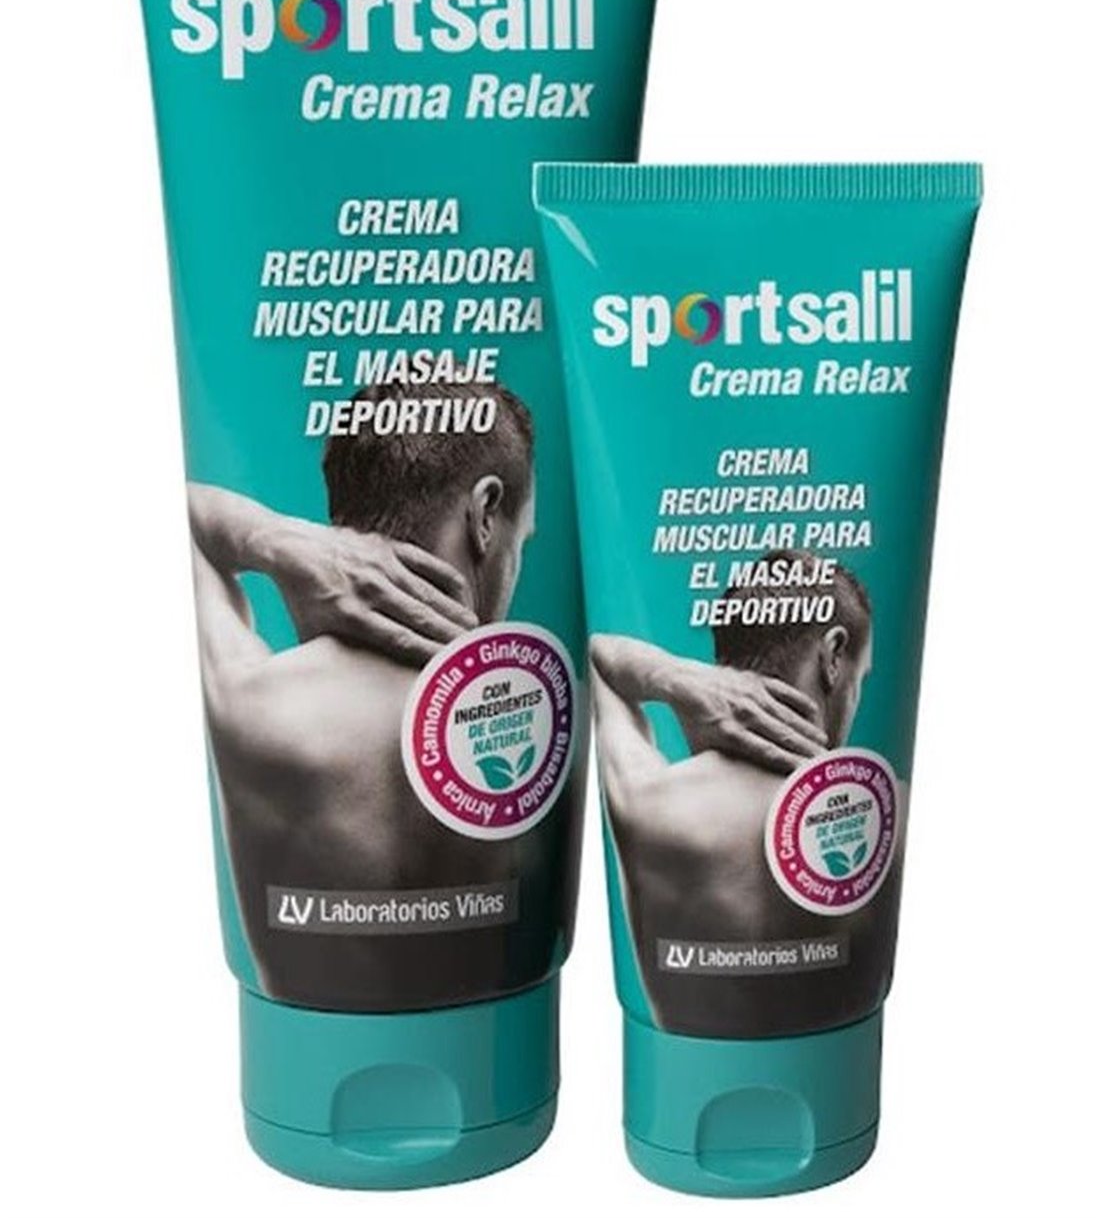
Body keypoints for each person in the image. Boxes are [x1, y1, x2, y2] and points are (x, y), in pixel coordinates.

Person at [190, 382, 830, 1010]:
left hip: (299, 1026)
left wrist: (275, 538)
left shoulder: (249, 701)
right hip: (506, 1036)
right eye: (522, 539)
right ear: (485, 514)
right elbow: (613, 664)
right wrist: (683, 679)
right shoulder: (540, 716)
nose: (516, 563)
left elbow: (197, 521)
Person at [592, 550, 904, 1038]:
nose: (855, 698)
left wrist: (676, 677)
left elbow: (599, 659)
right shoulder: (887, 816)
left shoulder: (648, 802)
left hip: (681, 1064)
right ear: (833, 656)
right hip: (838, 1064)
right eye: (859, 678)